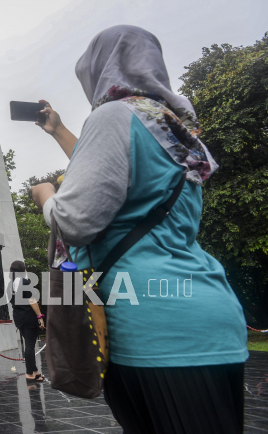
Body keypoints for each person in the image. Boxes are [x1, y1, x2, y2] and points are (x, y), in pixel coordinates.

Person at [30, 25, 248, 433]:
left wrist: (45, 197)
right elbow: (116, 179)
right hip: (210, 318)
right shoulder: (172, 125)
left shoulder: (113, 115)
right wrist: (58, 129)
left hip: (153, 328)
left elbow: (76, 220)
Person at [9, 261, 45, 381]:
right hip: (28, 316)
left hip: (18, 317)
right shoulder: (24, 282)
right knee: (30, 345)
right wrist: (40, 317)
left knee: (29, 344)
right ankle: (30, 373)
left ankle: (34, 372)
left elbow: (12, 302)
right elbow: (32, 300)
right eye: (25, 268)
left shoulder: (10, 284)